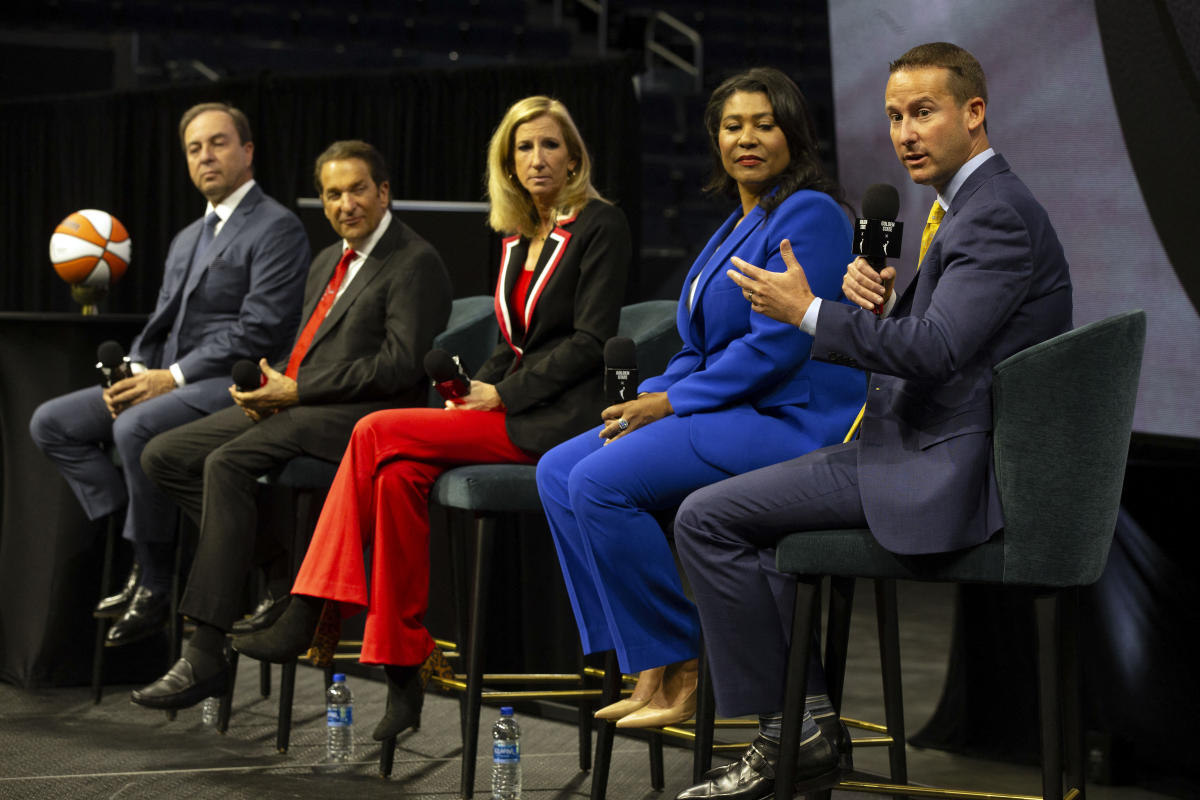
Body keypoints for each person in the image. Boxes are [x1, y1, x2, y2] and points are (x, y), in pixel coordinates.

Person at [672, 43, 1073, 800]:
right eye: (894, 117)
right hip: (907, 446)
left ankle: (791, 733)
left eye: (923, 112)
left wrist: (810, 312)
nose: (904, 133)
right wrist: (886, 310)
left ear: (973, 114)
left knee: (705, 519)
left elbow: (938, 351)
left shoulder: (997, 217)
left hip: (940, 465)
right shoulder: (969, 209)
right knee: (725, 518)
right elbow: (942, 343)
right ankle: (806, 727)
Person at [232, 96, 631, 742]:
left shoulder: (600, 226)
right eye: (523, 148)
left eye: (550, 145)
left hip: (558, 420)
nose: (537, 159)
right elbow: (513, 340)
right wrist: (478, 386)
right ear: (507, 161)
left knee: (375, 430)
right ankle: (401, 670)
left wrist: (502, 396)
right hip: (507, 405)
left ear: (574, 155)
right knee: (395, 477)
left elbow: (589, 341)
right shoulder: (514, 232)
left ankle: (309, 604)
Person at [535, 67, 864, 733]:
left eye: (763, 124)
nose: (747, 138)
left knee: (597, 482)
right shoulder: (735, 225)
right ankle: (645, 661)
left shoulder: (812, 214)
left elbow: (780, 345)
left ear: (793, 134)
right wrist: (655, 391)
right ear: (715, 140)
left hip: (790, 418)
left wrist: (671, 405)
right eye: (732, 126)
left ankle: (680, 659)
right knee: (558, 470)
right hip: (729, 408)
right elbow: (698, 343)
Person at [126, 140, 452, 710]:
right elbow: (309, 347)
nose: (344, 204)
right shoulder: (329, 259)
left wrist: (299, 390)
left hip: (361, 419)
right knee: (164, 455)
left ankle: (204, 650)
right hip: (299, 403)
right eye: (332, 194)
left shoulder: (414, 260)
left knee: (225, 464)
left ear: (383, 192)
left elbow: (399, 366)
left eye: (356, 190)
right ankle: (282, 569)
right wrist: (269, 387)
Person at [28, 103, 310, 646]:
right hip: (168, 377)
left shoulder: (277, 227)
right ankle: (144, 534)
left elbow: (260, 330)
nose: (206, 156)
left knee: (135, 427)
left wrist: (169, 378)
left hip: (230, 382)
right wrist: (133, 370)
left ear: (247, 152)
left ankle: (155, 582)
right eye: (194, 148)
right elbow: (162, 323)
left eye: (218, 143)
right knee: (51, 423)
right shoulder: (187, 237)